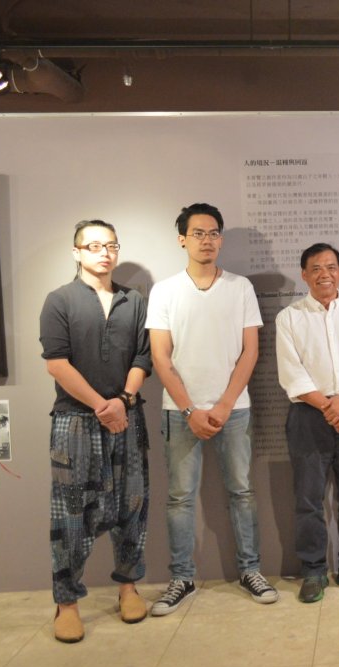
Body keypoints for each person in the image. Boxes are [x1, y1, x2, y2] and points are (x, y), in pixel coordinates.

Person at [146, 203, 277, 615]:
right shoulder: (165, 290)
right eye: (198, 233)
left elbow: (250, 351)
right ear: (182, 239)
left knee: (242, 492)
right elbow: (160, 357)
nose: (207, 240)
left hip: (234, 409)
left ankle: (251, 570)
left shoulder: (240, 287)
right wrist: (191, 410)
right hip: (180, 411)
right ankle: (181, 578)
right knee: (180, 498)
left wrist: (223, 404)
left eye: (213, 233)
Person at [39, 219, 151, 643]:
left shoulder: (133, 300)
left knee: (132, 505)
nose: (104, 253)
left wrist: (122, 400)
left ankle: (129, 586)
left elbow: (143, 357)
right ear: (77, 252)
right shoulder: (59, 300)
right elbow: (56, 363)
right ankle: (67, 603)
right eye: (94, 246)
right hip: (75, 421)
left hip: (127, 416)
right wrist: (101, 407)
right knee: (70, 515)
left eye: (111, 245)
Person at [276, 243, 339, 603]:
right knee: (308, 500)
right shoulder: (289, 317)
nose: (325, 274)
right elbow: (292, 374)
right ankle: (314, 571)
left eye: (332, 267)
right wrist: (329, 407)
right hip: (309, 416)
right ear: (304, 275)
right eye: (317, 268)